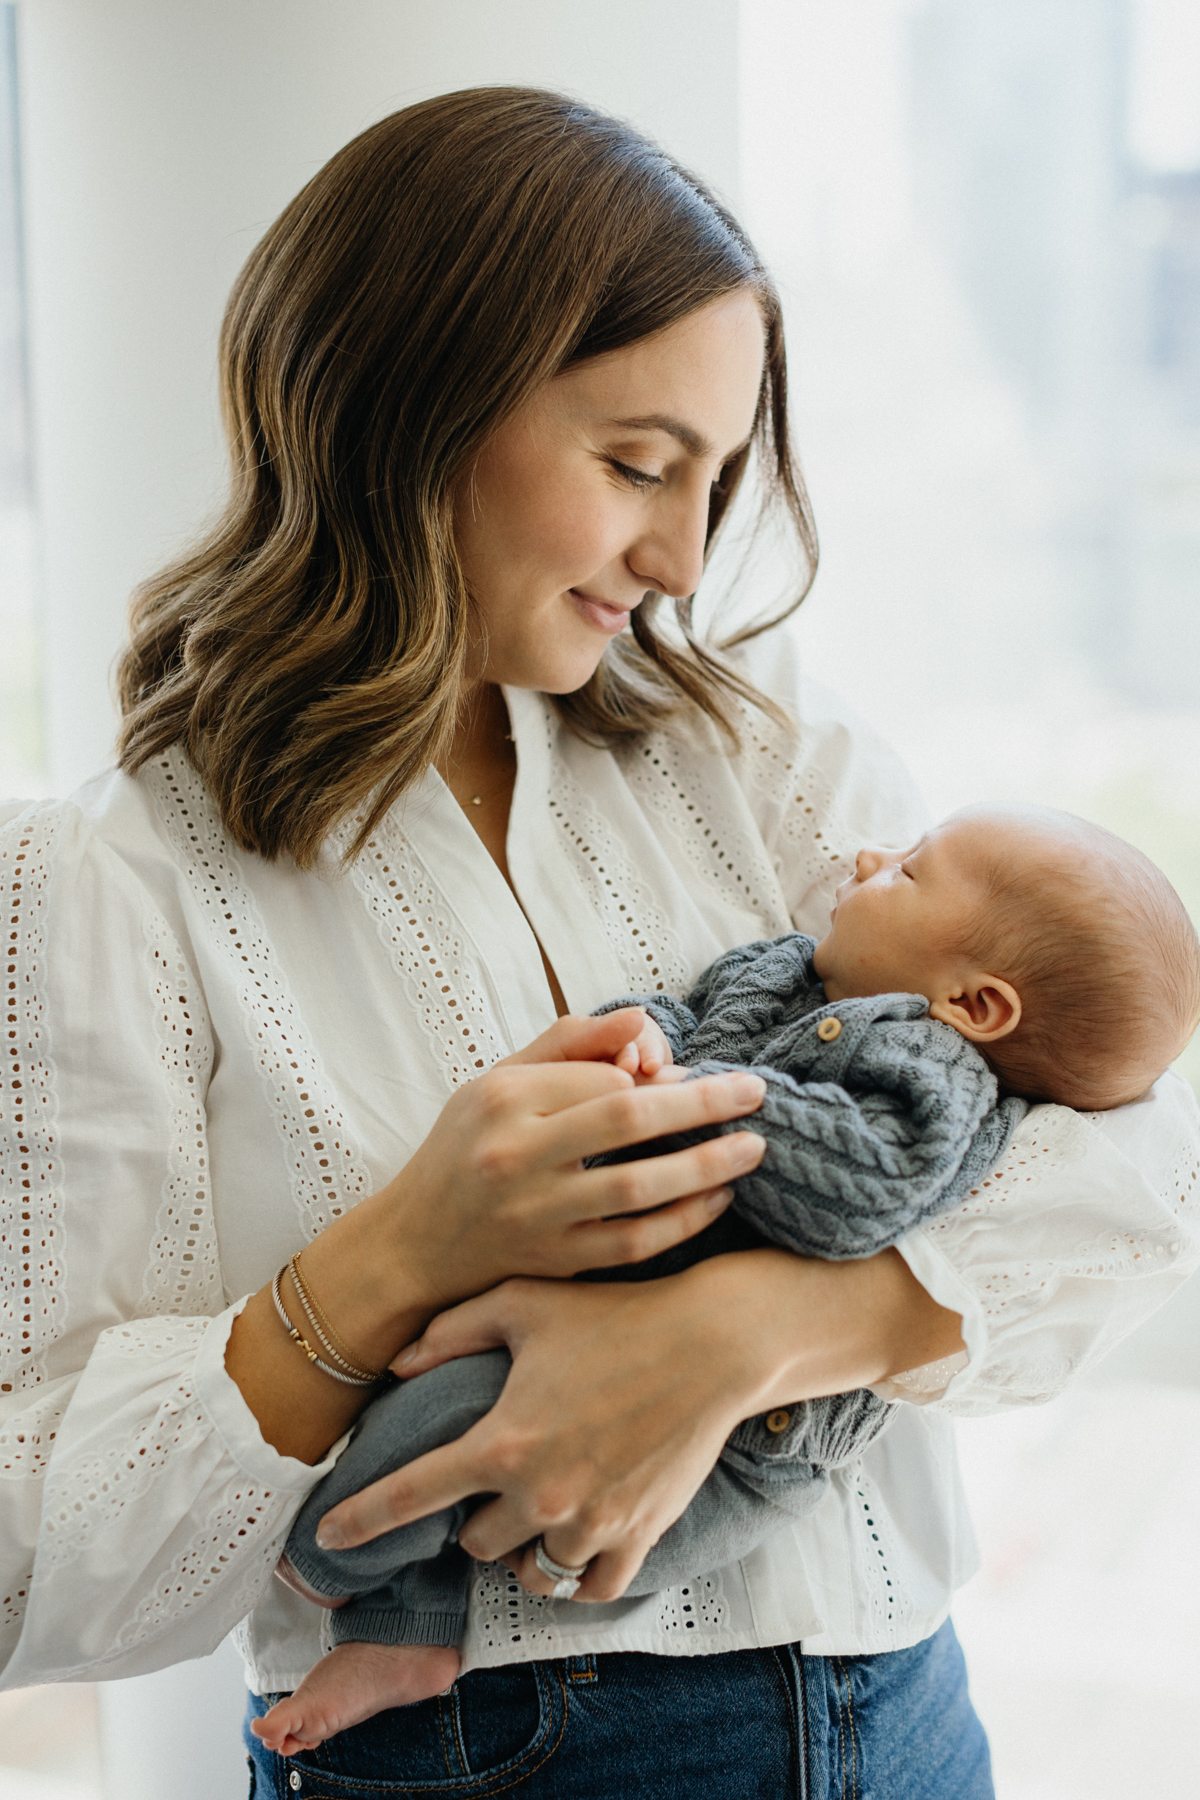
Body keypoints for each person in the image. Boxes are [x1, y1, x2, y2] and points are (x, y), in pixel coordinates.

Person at [1, 88, 1197, 1800]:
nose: (685, 553)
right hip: (485, 1759)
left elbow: (1139, 1159)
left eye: (713, 478)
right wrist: (384, 1261)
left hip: (906, 1719)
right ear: (403, 408)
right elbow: (27, 1556)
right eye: (637, 464)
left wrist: (748, 1338)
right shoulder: (107, 889)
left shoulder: (756, 749)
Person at [253, 804, 1200, 1755]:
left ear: (976, 1005)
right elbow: (686, 1017)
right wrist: (640, 1043)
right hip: (591, 1324)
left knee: (457, 1429)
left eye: (908, 873)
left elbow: (865, 1188)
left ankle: (329, 1566)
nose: (869, 855)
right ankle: (404, 1629)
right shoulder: (780, 971)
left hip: (749, 1453)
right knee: (441, 1404)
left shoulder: (934, 1072)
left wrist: (686, 1105)